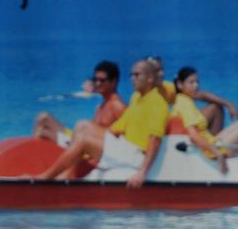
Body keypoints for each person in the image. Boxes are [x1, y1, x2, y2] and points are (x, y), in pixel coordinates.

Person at [37, 59, 169, 188]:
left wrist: (142, 172)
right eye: (131, 75)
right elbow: (119, 126)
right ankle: (68, 171)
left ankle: (46, 177)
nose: (132, 78)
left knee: (84, 140)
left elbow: (154, 140)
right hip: (125, 146)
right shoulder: (136, 97)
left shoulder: (157, 104)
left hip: (137, 155)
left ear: (150, 78)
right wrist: (98, 141)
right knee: (82, 125)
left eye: (137, 75)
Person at [173, 67, 238, 170]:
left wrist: (229, 105)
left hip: (212, 144)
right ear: (179, 84)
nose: (196, 85)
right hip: (211, 152)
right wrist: (217, 153)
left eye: (197, 82)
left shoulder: (184, 99)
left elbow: (203, 95)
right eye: (191, 82)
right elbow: (193, 135)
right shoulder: (185, 104)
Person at [33, 60, 126, 144]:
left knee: (43, 132)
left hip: (88, 149)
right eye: (95, 80)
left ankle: (30, 158)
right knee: (43, 117)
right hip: (81, 141)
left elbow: (126, 138)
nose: (97, 84)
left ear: (114, 82)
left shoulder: (117, 105)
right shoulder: (102, 105)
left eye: (102, 80)